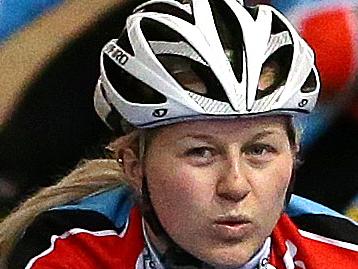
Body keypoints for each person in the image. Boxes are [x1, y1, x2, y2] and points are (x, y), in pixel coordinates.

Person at [0, 0, 357, 268]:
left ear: (294, 154)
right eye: (200, 153)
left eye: (260, 150)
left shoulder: (343, 254)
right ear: (134, 165)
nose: (235, 185)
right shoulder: (70, 254)